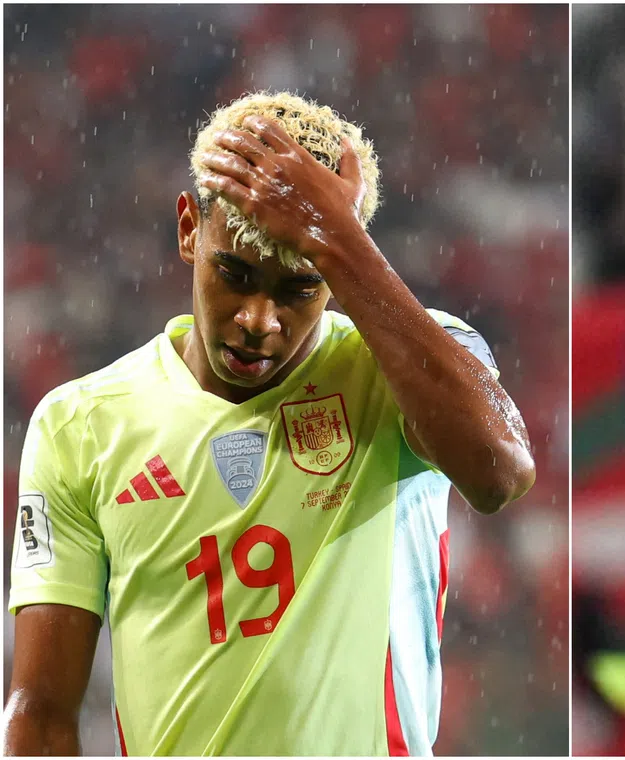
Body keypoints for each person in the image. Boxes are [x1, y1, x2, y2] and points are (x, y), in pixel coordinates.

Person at [2, 91, 536, 756]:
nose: (259, 319)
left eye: (298, 287)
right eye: (235, 274)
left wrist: (340, 238)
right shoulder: (79, 424)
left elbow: (500, 471)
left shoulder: (404, 367)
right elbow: (41, 712)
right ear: (188, 228)